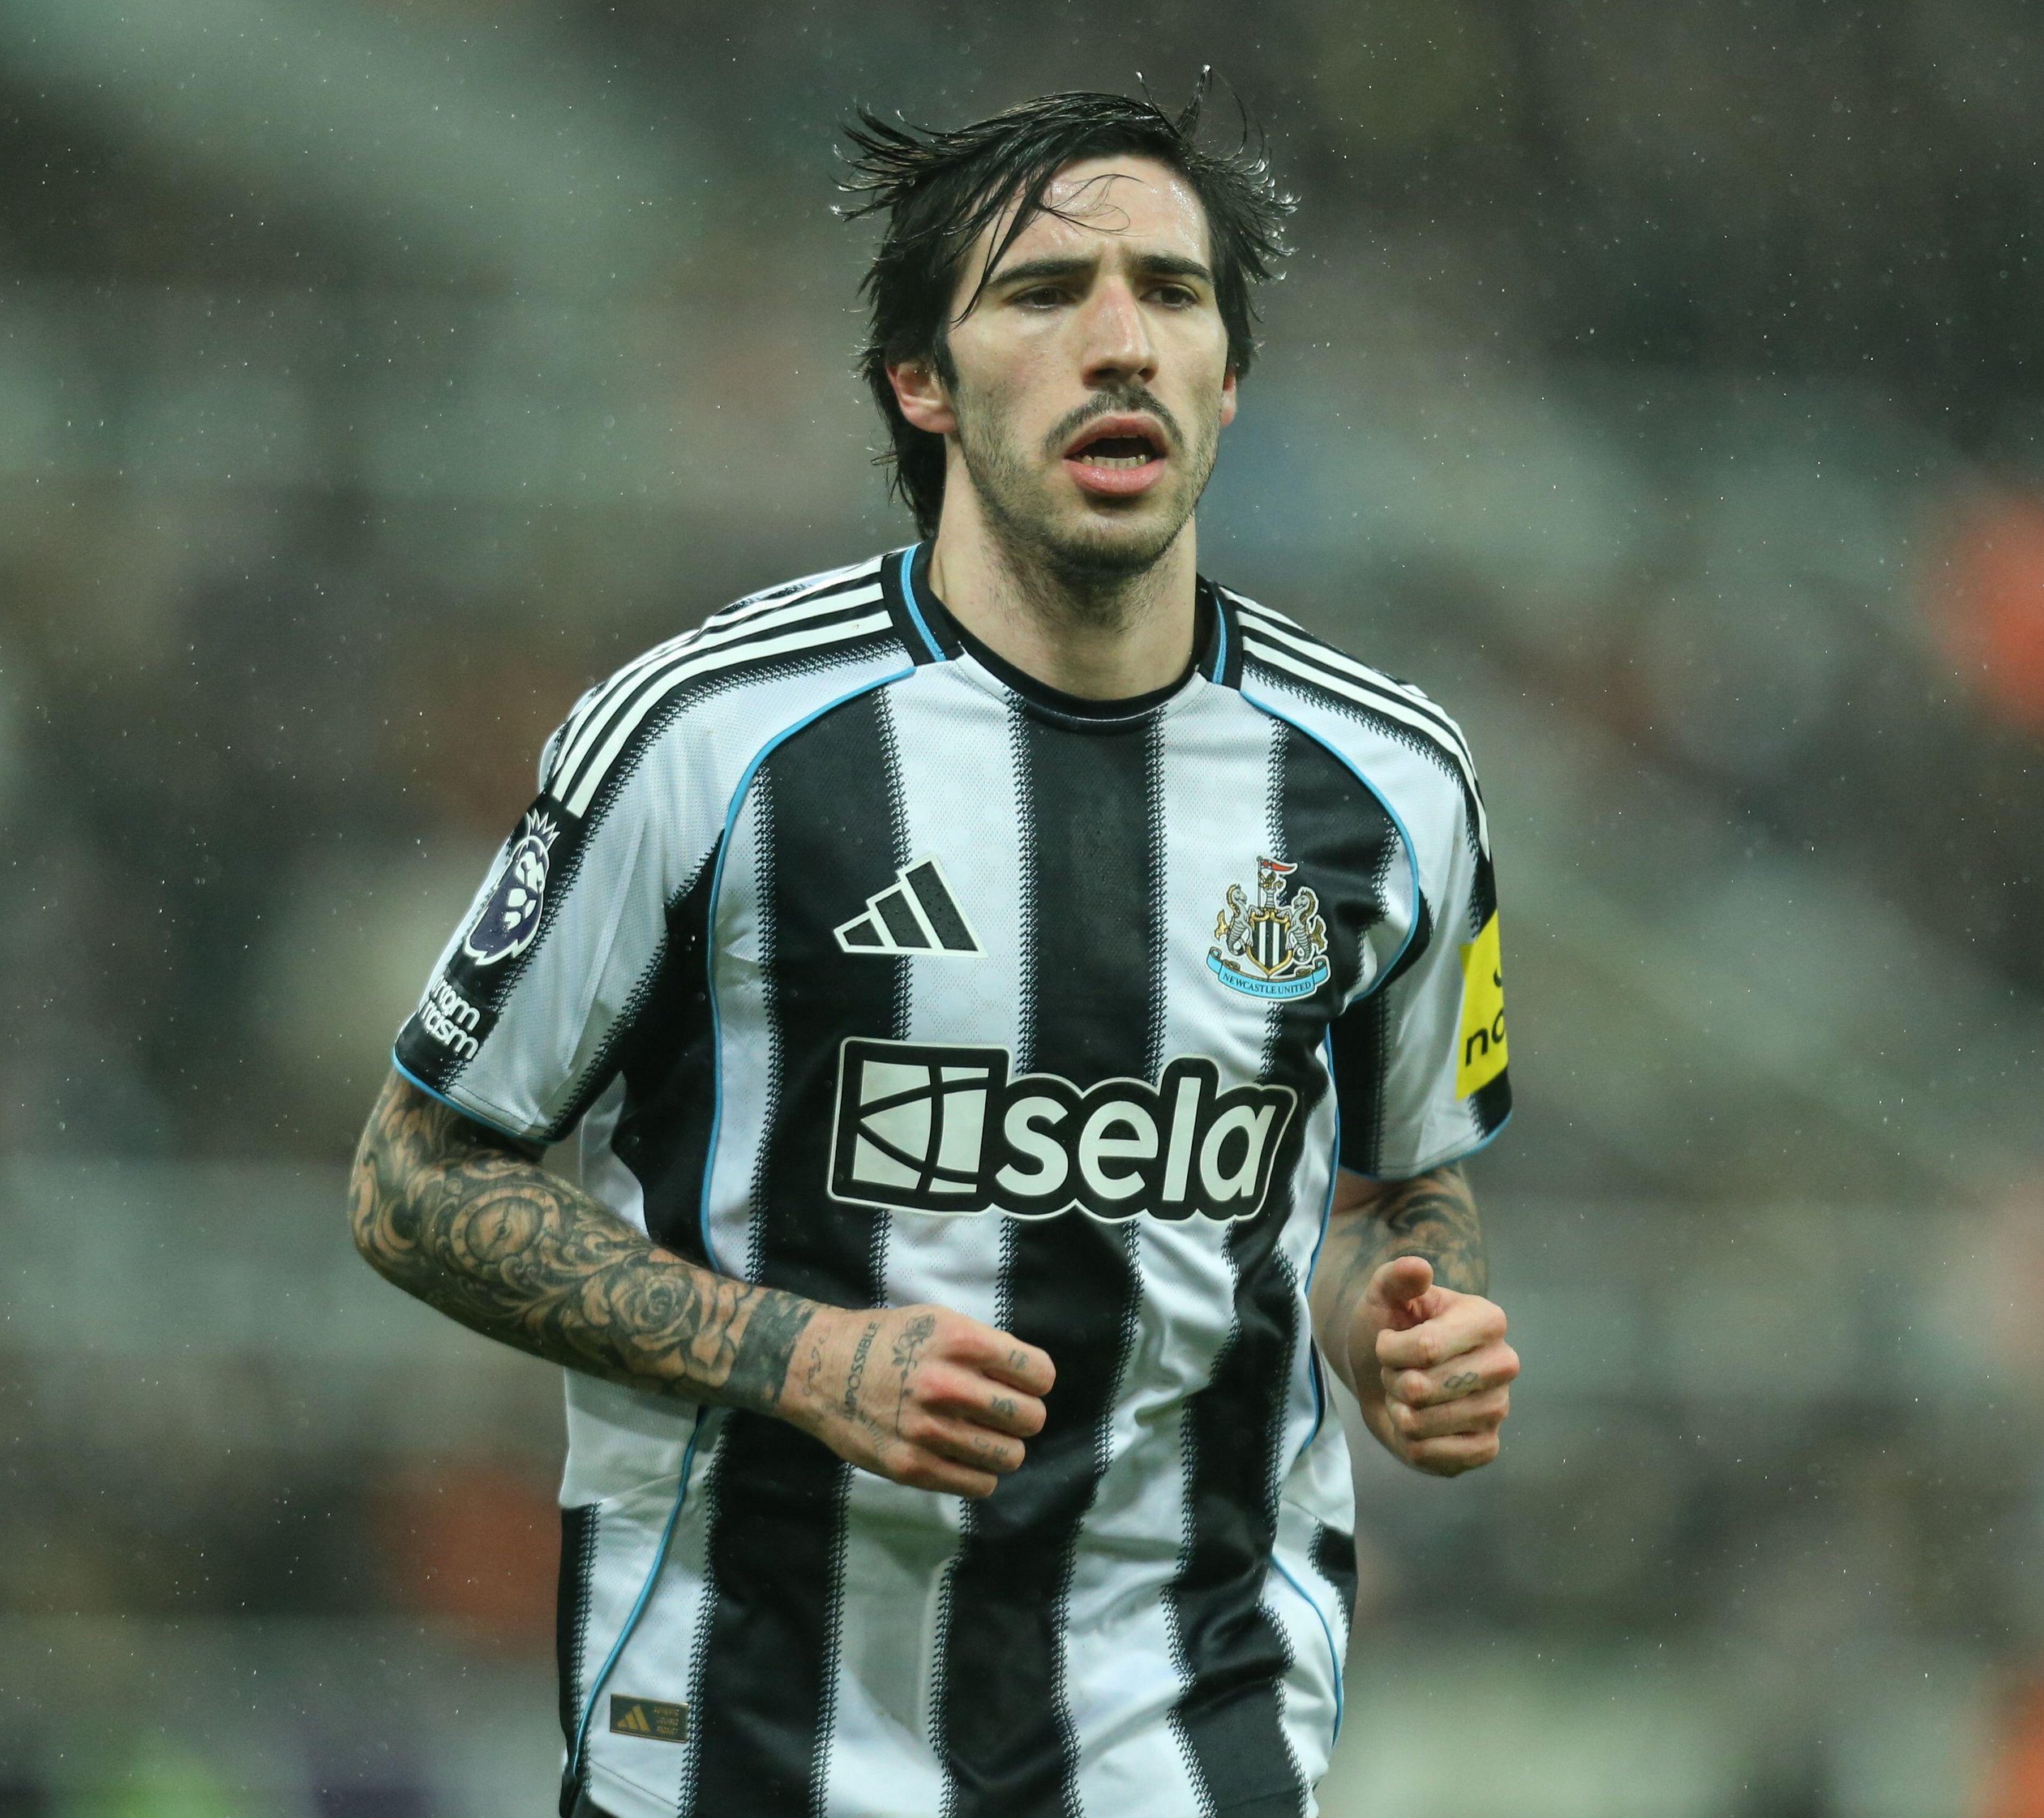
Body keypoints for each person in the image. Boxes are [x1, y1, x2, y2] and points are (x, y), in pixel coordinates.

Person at [350, 81, 1517, 1818]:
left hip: (1186, 1741)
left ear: (1228, 377)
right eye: (1042, 293)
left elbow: (1396, 1186)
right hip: (746, 1740)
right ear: (922, 379)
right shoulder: (707, 739)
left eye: (1172, 292)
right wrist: (798, 1355)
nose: (1119, 341)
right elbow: (413, 1177)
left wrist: (1402, 1319)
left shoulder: (1395, 781)